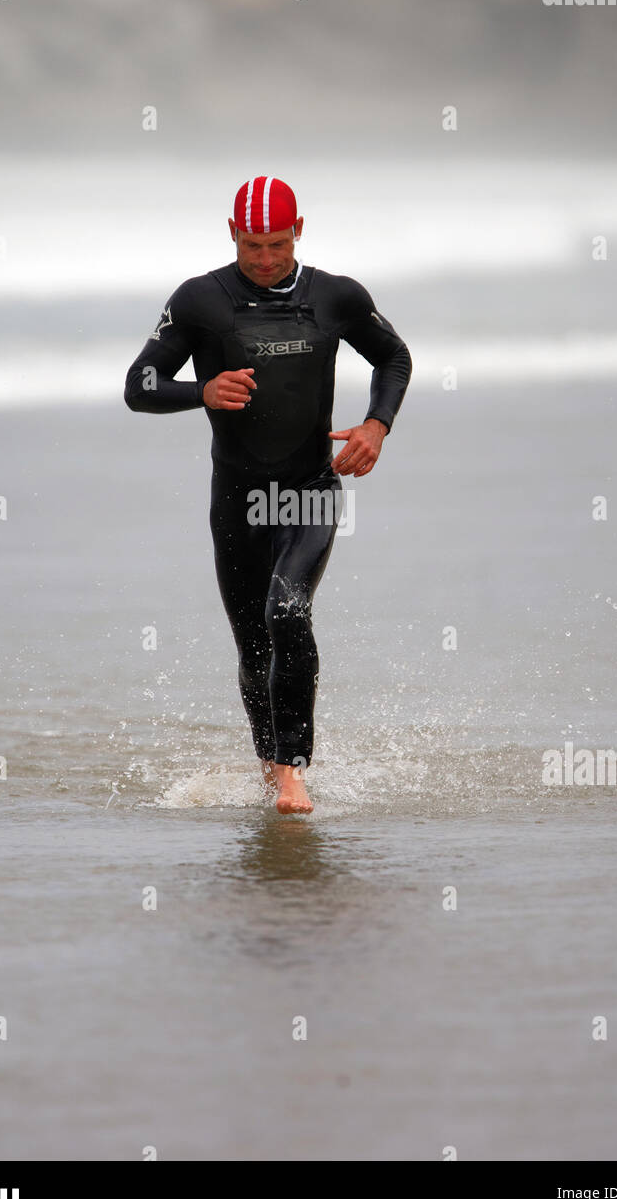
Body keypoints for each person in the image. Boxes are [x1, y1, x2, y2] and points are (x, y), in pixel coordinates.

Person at [125, 176, 411, 813]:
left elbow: (393, 356)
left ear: (299, 230)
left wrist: (375, 426)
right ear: (232, 234)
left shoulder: (336, 297)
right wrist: (199, 391)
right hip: (237, 497)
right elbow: (139, 384)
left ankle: (291, 773)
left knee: (288, 611)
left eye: (277, 244)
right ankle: (269, 764)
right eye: (252, 245)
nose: (264, 258)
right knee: (255, 650)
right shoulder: (200, 300)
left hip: (308, 489)